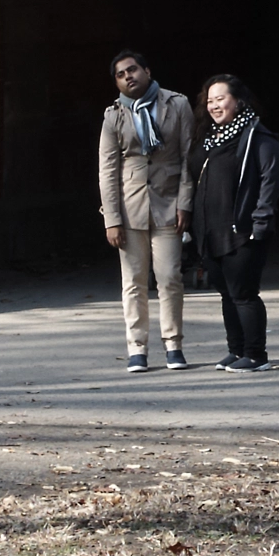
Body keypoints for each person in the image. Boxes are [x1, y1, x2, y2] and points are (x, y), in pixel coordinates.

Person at [97, 50, 196, 373]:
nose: (128, 76)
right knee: (134, 281)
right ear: (117, 82)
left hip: (168, 202)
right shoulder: (114, 115)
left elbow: (187, 155)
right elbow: (108, 169)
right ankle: (137, 348)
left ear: (147, 71)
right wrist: (111, 218)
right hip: (130, 206)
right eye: (121, 74)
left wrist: (185, 201)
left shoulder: (176, 104)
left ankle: (173, 344)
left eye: (133, 70)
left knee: (169, 277)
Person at [190, 74, 279, 373]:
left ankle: (256, 355)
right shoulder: (209, 138)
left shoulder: (257, 136)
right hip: (210, 230)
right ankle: (236, 350)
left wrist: (261, 219)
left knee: (243, 293)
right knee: (227, 293)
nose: (214, 105)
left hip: (242, 230)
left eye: (221, 99)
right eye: (210, 100)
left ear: (238, 101)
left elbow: (270, 178)